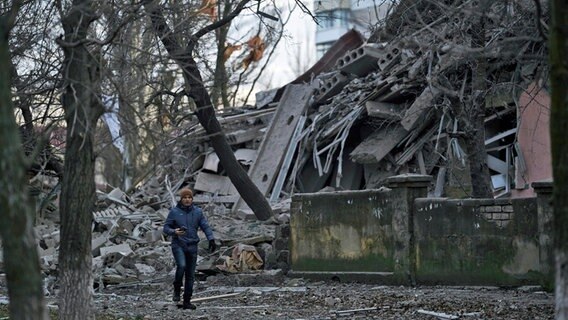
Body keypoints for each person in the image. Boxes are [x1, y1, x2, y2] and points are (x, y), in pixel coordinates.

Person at [163, 188, 217, 310]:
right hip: (179, 244)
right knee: (181, 266)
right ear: (181, 199)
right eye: (184, 198)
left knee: (190, 275)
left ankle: (187, 301)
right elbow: (165, 228)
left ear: (192, 199)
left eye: (189, 197)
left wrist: (211, 239)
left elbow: (205, 226)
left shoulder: (198, 212)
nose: (187, 200)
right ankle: (177, 287)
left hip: (192, 245)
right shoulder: (174, 212)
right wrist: (174, 231)